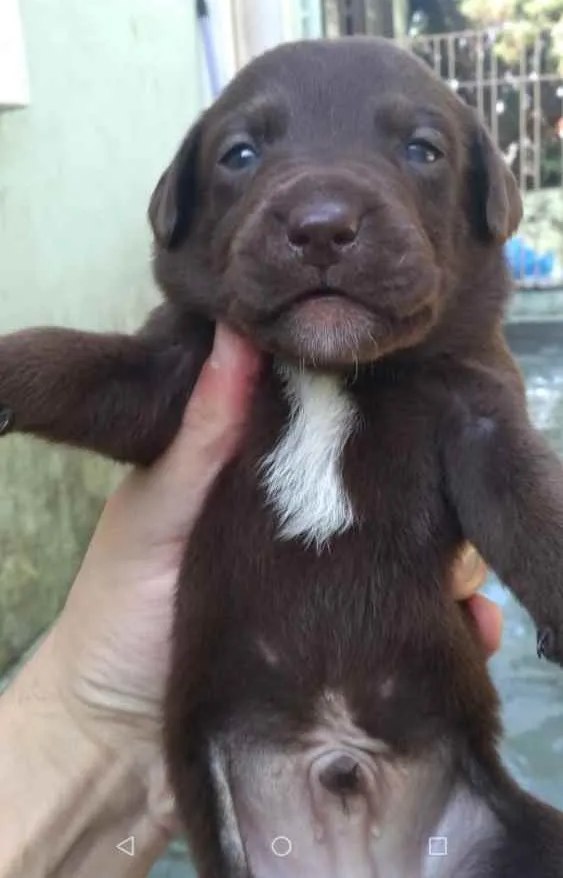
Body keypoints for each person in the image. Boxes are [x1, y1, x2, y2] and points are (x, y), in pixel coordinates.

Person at [0, 325, 502, 878]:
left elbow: (510, 470)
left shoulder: (459, 372)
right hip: (242, 743)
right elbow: (123, 384)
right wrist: (95, 725)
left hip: (417, 745)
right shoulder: (210, 351)